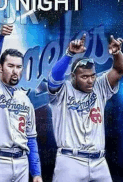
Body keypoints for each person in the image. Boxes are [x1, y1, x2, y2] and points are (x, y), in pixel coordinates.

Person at [47, 34, 123, 182]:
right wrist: (69, 54)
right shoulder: (63, 90)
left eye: (92, 76)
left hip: (99, 161)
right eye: (84, 77)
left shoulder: (99, 86)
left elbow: (119, 70)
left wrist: (117, 53)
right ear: (73, 77)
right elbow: (54, 77)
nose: (90, 81)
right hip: (70, 160)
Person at [0, 25, 43, 182]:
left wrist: (36, 172)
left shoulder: (25, 100)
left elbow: (31, 139)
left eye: (19, 67)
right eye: (10, 66)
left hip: (21, 164)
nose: (15, 71)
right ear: (0, 68)